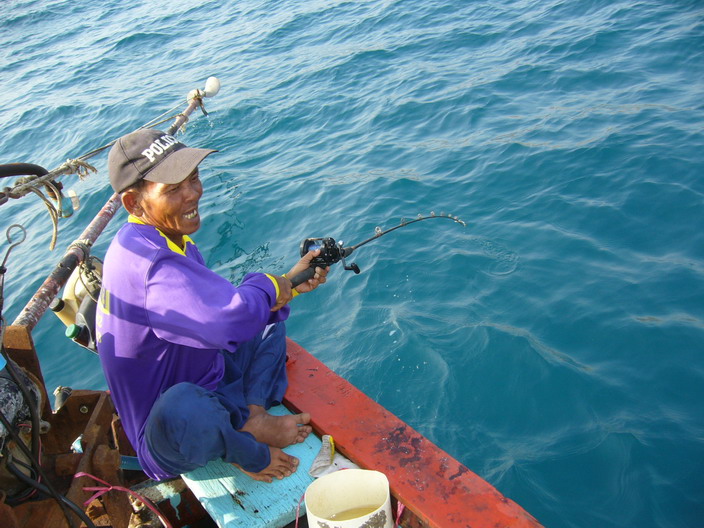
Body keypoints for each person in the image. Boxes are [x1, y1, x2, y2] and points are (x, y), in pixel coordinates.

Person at [96, 128, 328, 483]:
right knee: (188, 406)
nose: (192, 194)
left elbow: (221, 312)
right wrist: (267, 284)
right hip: (168, 432)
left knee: (269, 324)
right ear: (133, 203)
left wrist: (290, 285)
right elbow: (224, 322)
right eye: (173, 189)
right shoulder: (149, 265)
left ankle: (251, 416)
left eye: (193, 179)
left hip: (204, 376)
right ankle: (243, 449)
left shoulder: (169, 239)